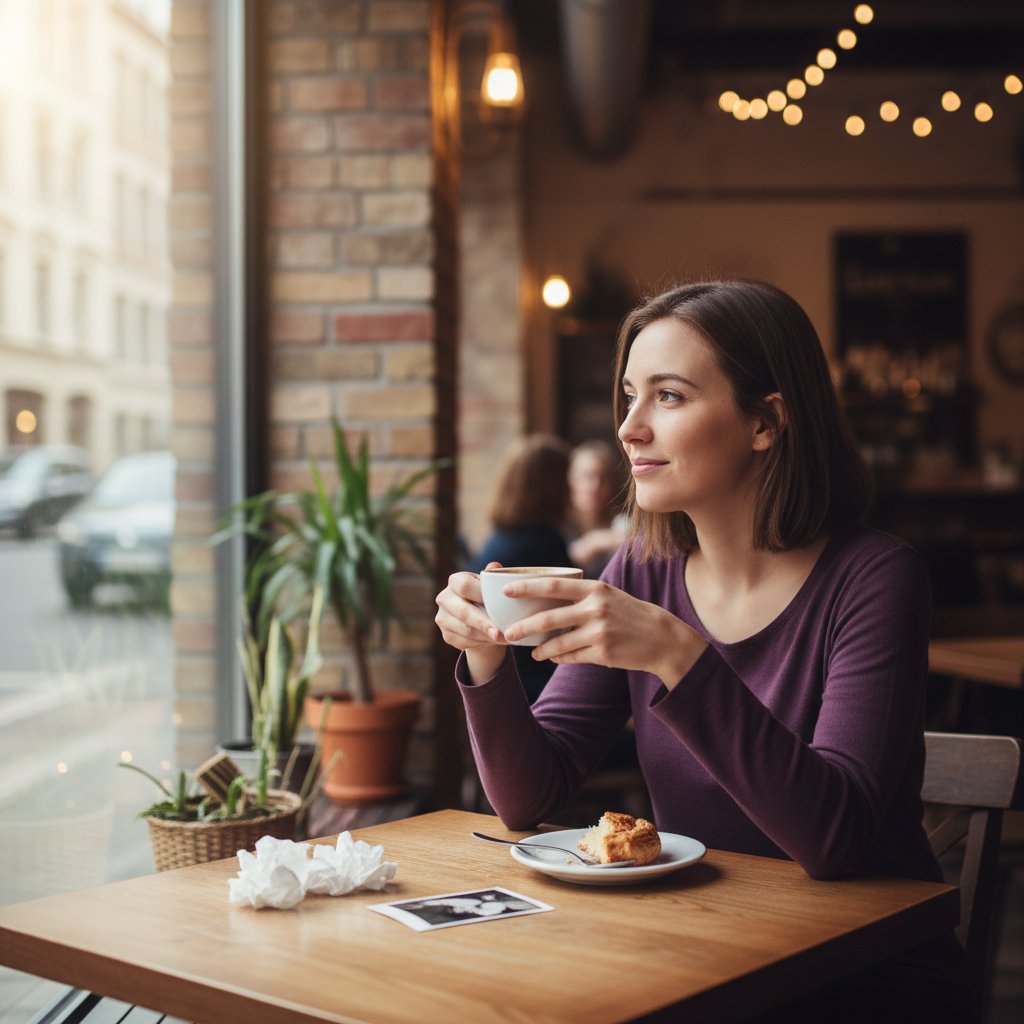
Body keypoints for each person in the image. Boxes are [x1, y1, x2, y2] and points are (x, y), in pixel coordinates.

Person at [436, 279, 974, 1021]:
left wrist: (678, 656)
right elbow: (530, 796)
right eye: (629, 395)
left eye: (670, 396)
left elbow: (833, 839)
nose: (628, 428)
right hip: (706, 958)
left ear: (765, 422)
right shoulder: (641, 571)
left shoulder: (875, 579)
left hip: (866, 976)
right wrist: (488, 658)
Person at [471, 433, 576, 702]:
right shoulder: (545, 543)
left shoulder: (499, 540)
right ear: (552, 486)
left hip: (505, 680)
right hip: (537, 687)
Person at [566, 440, 627, 578]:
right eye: (587, 476)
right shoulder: (558, 524)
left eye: (603, 478)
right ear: (570, 479)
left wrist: (596, 541)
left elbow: (644, 544)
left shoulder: (620, 522)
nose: (595, 486)